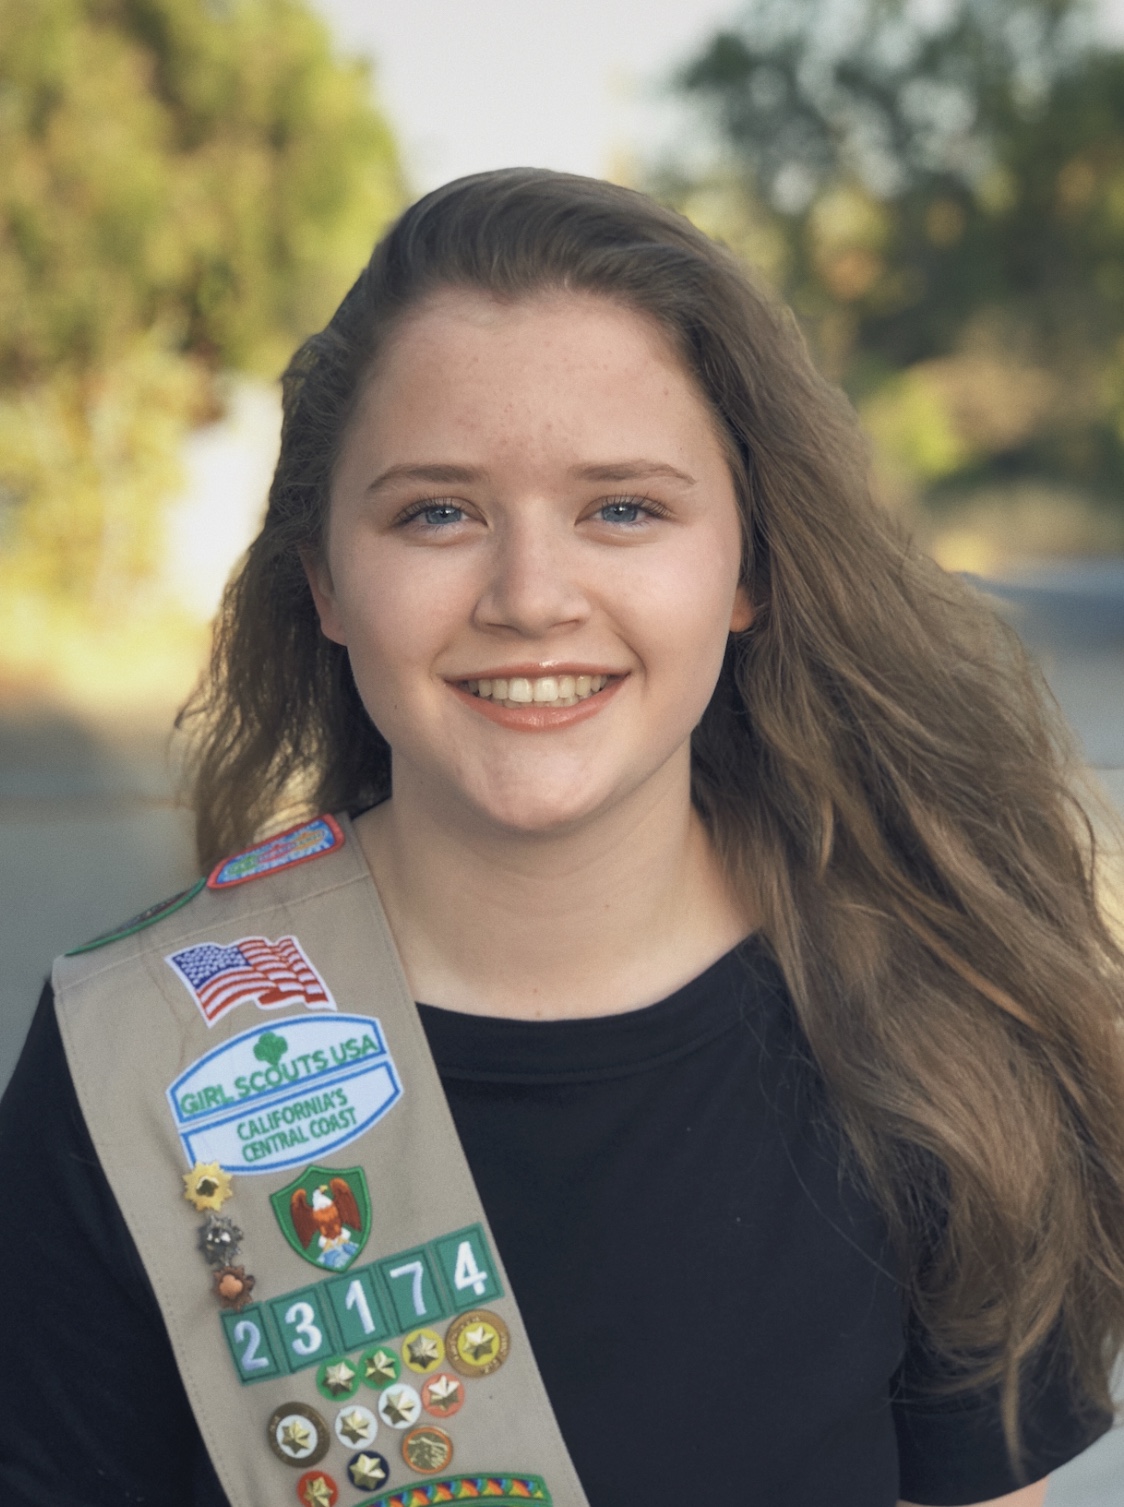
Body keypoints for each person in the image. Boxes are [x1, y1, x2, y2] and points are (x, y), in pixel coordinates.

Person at [2, 168, 1124, 1507]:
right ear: (327, 581)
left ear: (751, 567)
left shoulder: (932, 1032)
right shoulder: (129, 1061)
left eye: (623, 508)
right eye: (437, 511)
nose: (531, 598)